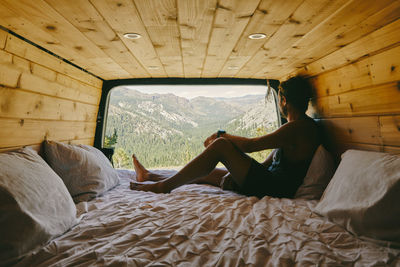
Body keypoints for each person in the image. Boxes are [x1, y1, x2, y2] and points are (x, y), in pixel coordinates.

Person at [130, 76, 321, 198]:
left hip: (274, 189)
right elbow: (266, 165)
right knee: (207, 172)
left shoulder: (299, 127)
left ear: (284, 100)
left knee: (221, 146)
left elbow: (252, 145)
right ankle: (149, 176)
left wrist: (222, 136)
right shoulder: (296, 128)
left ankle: (163, 187)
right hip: (269, 182)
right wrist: (236, 174)